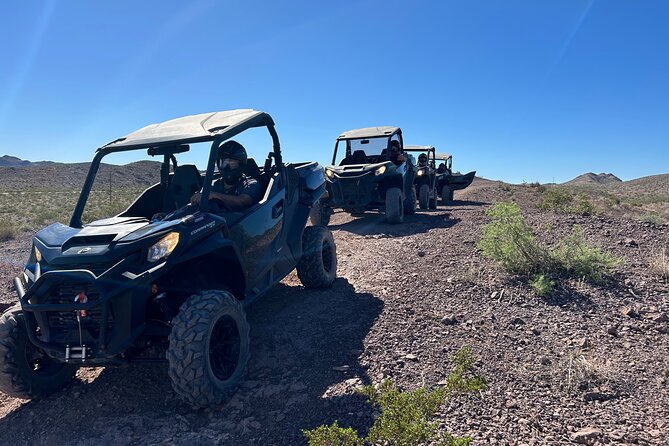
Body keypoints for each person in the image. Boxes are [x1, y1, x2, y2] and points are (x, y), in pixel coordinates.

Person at [190, 140, 263, 211]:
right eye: (223, 163)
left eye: (232, 163)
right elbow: (201, 199)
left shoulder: (250, 184)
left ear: (241, 163)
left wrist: (214, 195)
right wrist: (196, 199)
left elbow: (242, 201)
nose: (227, 167)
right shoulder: (213, 184)